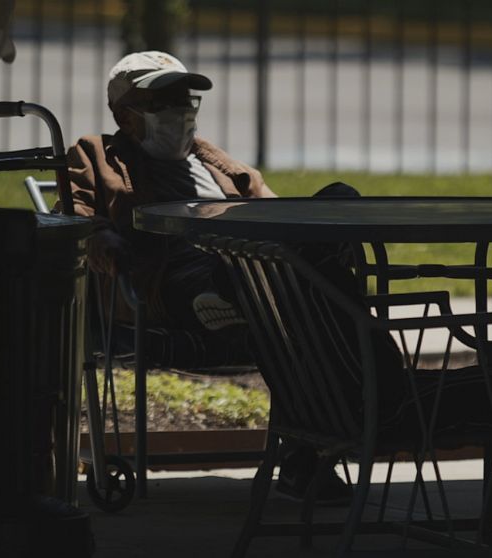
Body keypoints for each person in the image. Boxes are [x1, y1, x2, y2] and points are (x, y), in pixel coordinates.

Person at [66, 51, 354, 504]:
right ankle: (235, 291)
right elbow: (76, 215)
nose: (180, 110)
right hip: (169, 275)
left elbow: (278, 212)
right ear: (125, 114)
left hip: (252, 263)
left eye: (185, 98)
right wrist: (102, 236)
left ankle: (241, 293)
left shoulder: (216, 162)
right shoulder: (97, 153)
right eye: (163, 100)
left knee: (341, 202)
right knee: (296, 299)